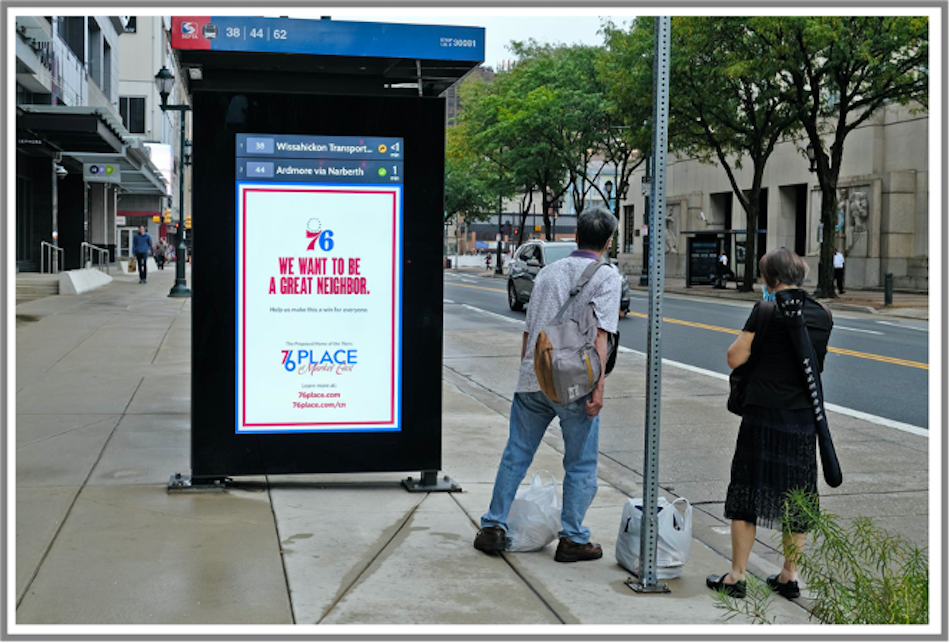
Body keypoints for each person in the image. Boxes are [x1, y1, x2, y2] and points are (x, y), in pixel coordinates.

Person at [474, 206, 622, 563]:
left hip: (533, 376)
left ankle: (493, 526)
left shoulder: (548, 273)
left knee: (516, 454)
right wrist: (598, 390)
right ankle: (572, 538)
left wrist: (528, 370)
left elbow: (530, 330)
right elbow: (601, 336)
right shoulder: (607, 277)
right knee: (581, 464)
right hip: (576, 382)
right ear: (608, 241)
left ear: (575, 236)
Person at [708, 248, 833, 599]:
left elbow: (735, 357)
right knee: (798, 496)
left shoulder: (765, 310)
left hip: (763, 416)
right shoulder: (823, 314)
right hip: (802, 419)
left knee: (748, 490)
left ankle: (737, 575)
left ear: (771, 280)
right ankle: (788, 576)